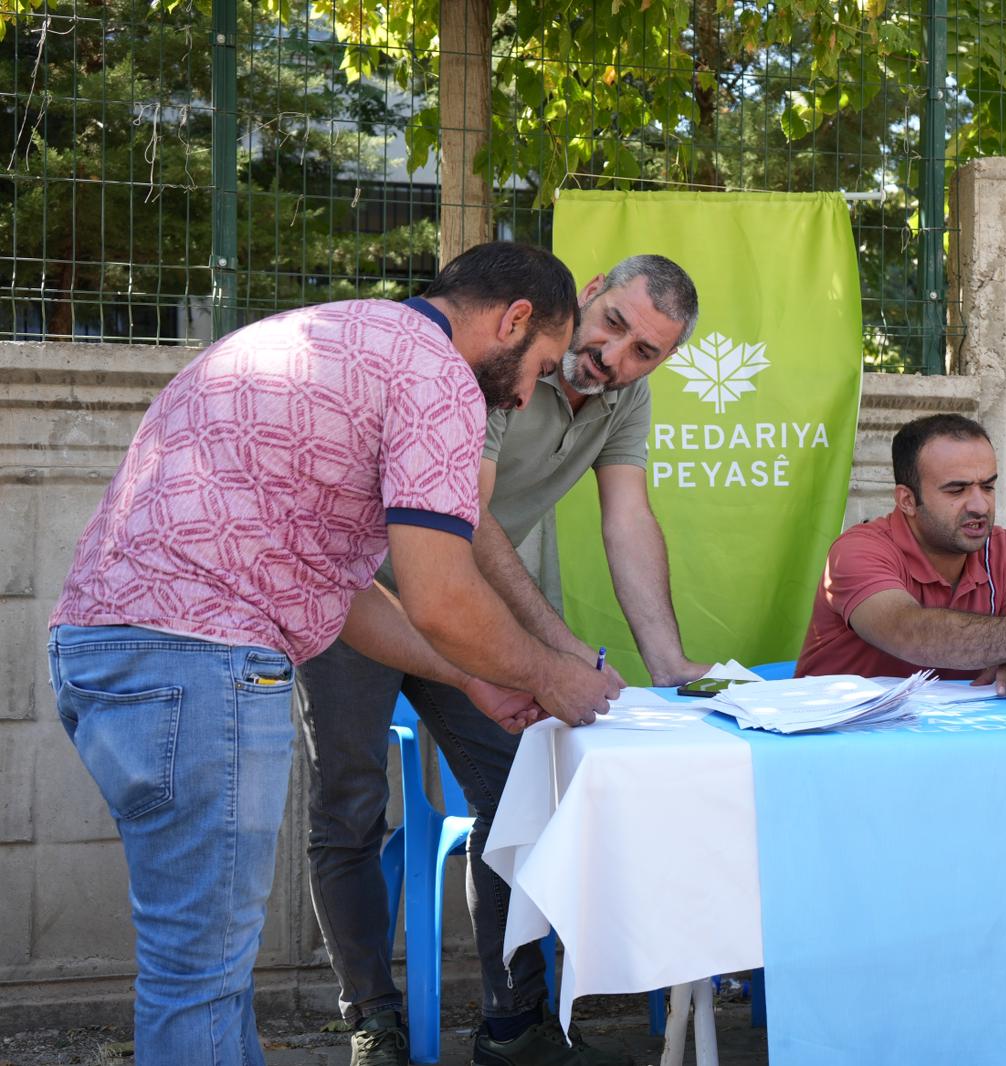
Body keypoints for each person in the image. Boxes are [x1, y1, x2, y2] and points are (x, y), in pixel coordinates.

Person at [46, 242, 621, 1066]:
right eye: (539, 365)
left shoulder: (329, 336)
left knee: (207, 975)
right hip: (199, 660)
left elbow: (346, 598)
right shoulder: (437, 375)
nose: (530, 394)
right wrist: (551, 674)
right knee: (198, 981)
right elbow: (442, 594)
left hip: (105, 651)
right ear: (515, 320)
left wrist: (471, 678)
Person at [298, 255, 704, 1066]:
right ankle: (373, 1021)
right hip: (360, 593)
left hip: (470, 612)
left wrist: (670, 664)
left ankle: (513, 1023)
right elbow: (468, 520)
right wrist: (555, 654)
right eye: (614, 325)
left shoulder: (626, 396)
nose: (615, 359)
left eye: (645, 352)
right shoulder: (497, 360)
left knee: (518, 797)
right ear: (587, 295)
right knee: (348, 806)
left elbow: (627, 522)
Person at [795, 413, 1006, 693]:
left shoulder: (1001, 548)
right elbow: (910, 634)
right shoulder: (857, 550)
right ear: (907, 500)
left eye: (987, 487)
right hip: (841, 741)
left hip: (957, 740)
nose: (980, 506)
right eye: (956, 490)